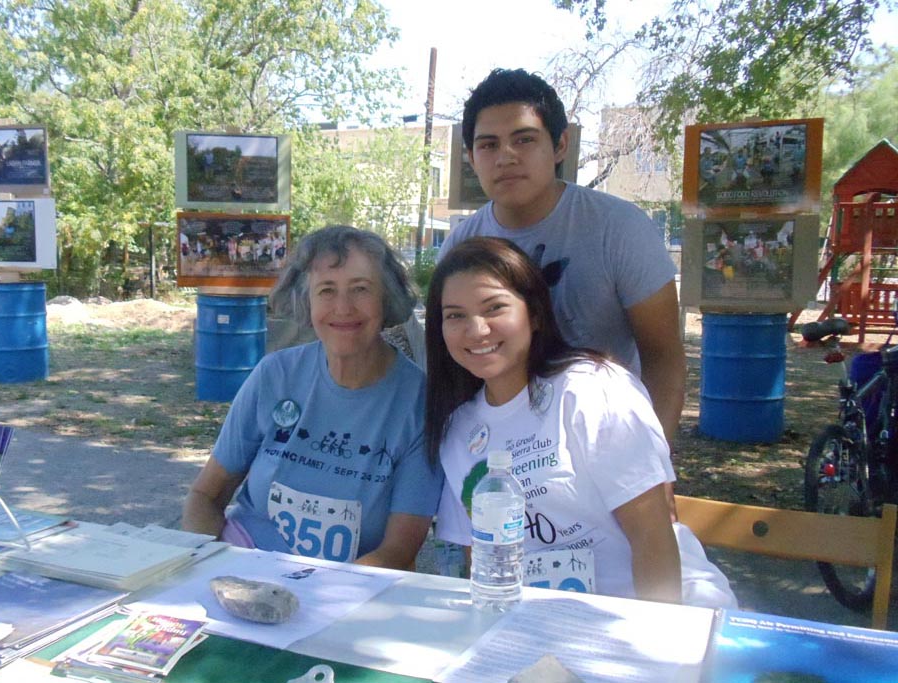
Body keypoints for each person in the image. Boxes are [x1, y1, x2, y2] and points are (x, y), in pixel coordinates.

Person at [425, 237, 735, 607]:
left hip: (659, 612)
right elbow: (482, 560)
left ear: (535, 314)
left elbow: (652, 534)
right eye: (455, 315)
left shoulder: (589, 389)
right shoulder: (459, 430)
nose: (476, 330)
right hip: (548, 625)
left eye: (494, 308)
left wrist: (657, 646)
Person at [438, 68, 685, 447]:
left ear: (560, 145)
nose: (505, 156)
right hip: (499, 450)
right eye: (488, 145)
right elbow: (448, 367)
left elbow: (664, 358)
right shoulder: (460, 244)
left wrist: (654, 460)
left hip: (605, 441)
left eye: (524, 139)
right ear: (470, 156)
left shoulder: (618, 229)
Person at [182, 225, 443, 569]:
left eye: (361, 289)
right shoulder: (274, 375)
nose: (343, 307)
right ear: (306, 300)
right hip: (243, 566)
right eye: (326, 290)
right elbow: (205, 496)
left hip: (349, 589)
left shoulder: (418, 403)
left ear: (387, 298)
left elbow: (398, 551)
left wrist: (319, 600)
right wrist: (210, 564)